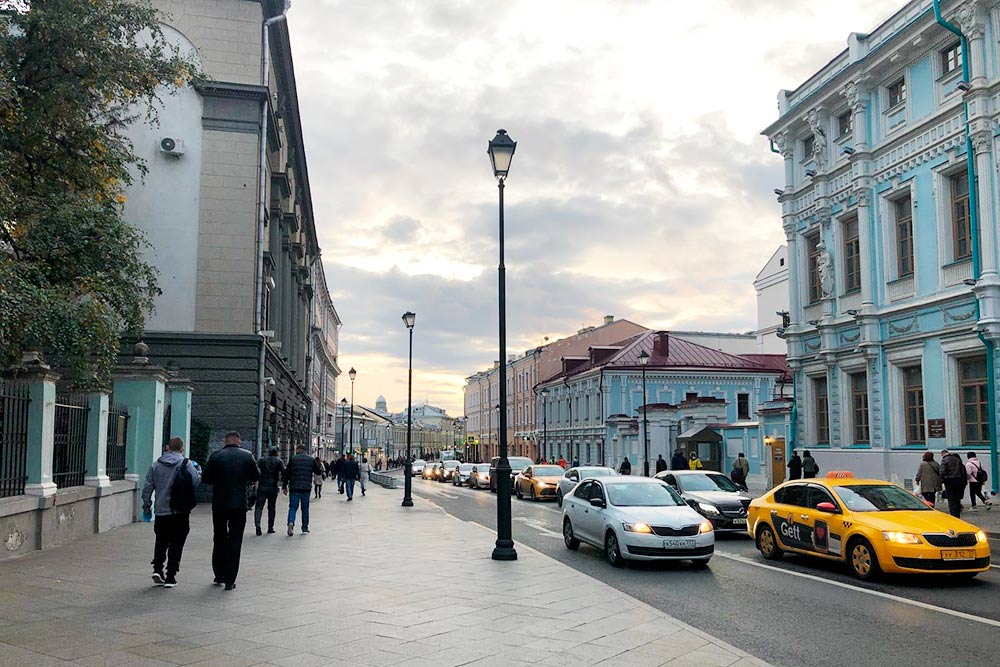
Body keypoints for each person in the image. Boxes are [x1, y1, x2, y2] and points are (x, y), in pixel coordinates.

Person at [202, 431, 260, 591]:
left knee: (219, 537)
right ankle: (230, 580)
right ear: (239, 441)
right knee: (235, 541)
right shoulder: (247, 455)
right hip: (239, 504)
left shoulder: (216, 456)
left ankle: (218, 574)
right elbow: (256, 475)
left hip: (219, 504)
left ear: (225, 441)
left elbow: (206, 479)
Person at [141, 436, 201, 588]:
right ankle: (170, 576)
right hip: (180, 511)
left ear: (167, 447)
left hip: (161, 511)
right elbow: (195, 482)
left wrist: (147, 508)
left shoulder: (156, 465)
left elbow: (147, 488)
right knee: (177, 542)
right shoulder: (186, 464)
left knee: (161, 540)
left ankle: (157, 568)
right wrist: (198, 471)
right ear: (182, 448)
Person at [284, 444, 324, 535]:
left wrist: (284, 486)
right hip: (306, 487)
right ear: (305, 450)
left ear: (298, 450)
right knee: (305, 508)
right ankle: (304, 528)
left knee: (293, 507)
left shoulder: (293, 459)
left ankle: (291, 522)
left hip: (294, 487)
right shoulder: (311, 459)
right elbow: (318, 472)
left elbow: (287, 473)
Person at [254, 447, 285, 536]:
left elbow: (255, 470)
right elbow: (284, 472)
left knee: (259, 507)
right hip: (273, 487)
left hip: (262, 485)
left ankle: (258, 526)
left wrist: (256, 478)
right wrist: (283, 483)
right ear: (277, 453)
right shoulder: (279, 461)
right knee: (271, 508)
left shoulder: (262, 460)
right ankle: (270, 528)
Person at [940, 449, 967, 518]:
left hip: (949, 481)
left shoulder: (945, 460)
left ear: (943, 454)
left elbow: (942, 471)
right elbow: (962, 470)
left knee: (951, 498)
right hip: (959, 480)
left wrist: (943, 479)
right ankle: (957, 514)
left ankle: (953, 514)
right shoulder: (957, 459)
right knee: (957, 498)